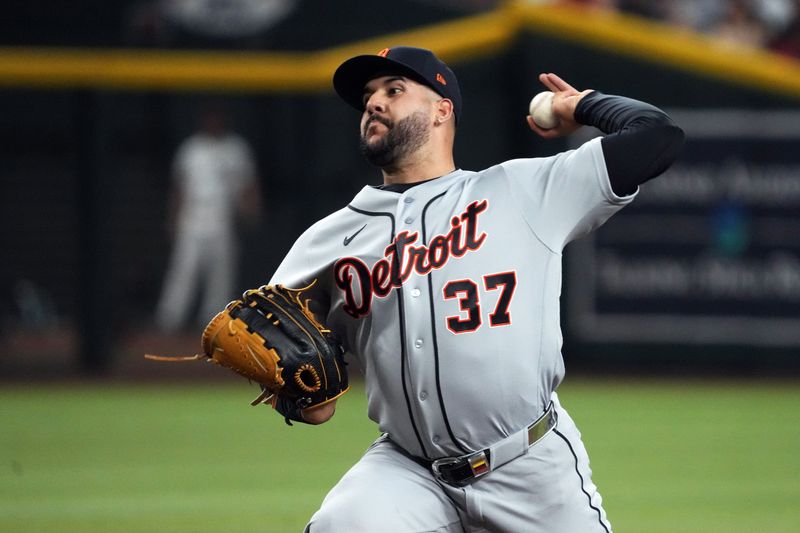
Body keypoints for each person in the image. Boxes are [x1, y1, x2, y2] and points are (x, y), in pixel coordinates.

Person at [269, 46, 684, 532]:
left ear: (442, 109)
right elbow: (298, 379)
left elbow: (657, 136)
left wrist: (583, 105)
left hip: (528, 465)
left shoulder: (521, 190)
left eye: (394, 90)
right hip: (407, 470)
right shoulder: (324, 242)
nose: (374, 104)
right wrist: (293, 394)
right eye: (368, 96)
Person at [155, 105, 262, 332]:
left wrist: (251, 210)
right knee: (184, 270)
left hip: (223, 218)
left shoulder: (236, 148)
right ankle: (169, 319)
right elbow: (179, 188)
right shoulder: (191, 148)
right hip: (192, 218)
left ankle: (212, 321)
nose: (213, 123)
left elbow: (248, 185)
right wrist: (172, 219)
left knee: (221, 274)